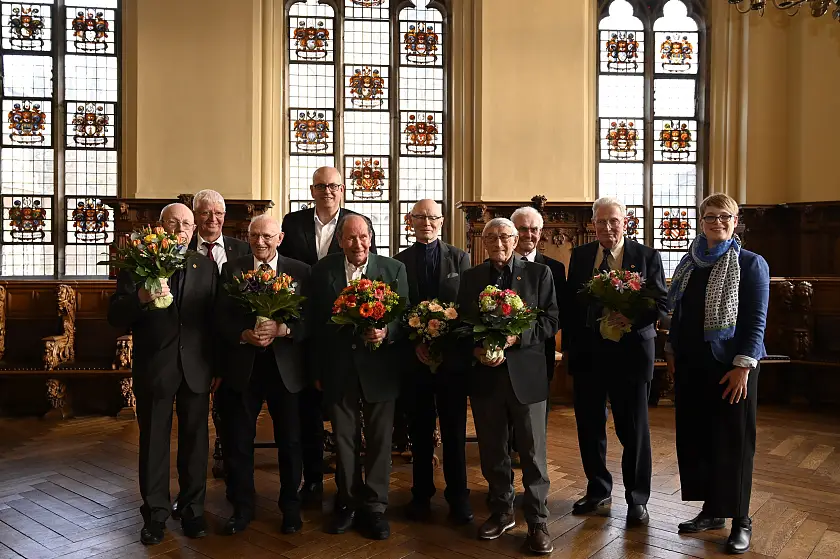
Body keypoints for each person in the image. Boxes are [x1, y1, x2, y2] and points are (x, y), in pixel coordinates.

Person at [107, 203, 217, 545]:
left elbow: (214, 321)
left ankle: (192, 510)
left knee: (196, 443)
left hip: (196, 367)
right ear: (160, 226)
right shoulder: (137, 263)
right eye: (173, 223)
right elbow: (115, 316)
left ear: (194, 229)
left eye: (186, 223)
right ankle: (155, 514)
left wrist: (218, 367)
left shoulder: (205, 265)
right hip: (155, 367)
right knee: (154, 442)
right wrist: (141, 296)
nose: (180, 229)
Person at [666, 193, 769, 555]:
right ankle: (712, 511)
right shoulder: (689, 262)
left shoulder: (751, 264)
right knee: (699, 438)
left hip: (732, 367)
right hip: (692, 364)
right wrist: (672, 350)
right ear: (701, 221)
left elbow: (756, 320)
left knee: (734, 443)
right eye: (710, 216)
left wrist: (743, 366)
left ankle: (741, 519)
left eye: (725, 216)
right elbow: (679, 313)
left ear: (735, 221)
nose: (717, 222)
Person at [457, 217, 559, 554]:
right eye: (491, 237)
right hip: (486, 377)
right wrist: (476, 350)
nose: (498, 243)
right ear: (483, 242)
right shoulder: (471, 278)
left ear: (516, 240)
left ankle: (538, 521)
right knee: (493, 449)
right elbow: (461, 324)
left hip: (526, 376)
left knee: (532, 452)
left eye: (504, 237)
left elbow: (550, 320)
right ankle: (502, 511)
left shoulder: (539, 274)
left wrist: (517, 337)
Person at [564, 196, 667, 526]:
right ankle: (598, 490)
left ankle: (637, 498)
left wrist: (631, 319)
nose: (607, 227)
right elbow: (572, 305)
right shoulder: (581, 256)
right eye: (601, 221)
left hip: (631, 355)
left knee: (633, 429)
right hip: (589, 356)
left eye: (614, 221)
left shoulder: (646, 256)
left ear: (626, 222)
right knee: (589, 427)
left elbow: (661, 303)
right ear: (592, 223)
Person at [278, 166, 376, 507]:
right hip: (303, 325)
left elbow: (366, 270)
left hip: (344, 331)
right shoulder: (293, 223)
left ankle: (351, 484)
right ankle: (314, 479)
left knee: (344, 410)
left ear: (343, 189)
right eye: (321, 186)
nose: (327, 191)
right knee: (307, 409)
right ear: (312, 190)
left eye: (333, 185)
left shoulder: (357, 222)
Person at [308, 214, 408, 540]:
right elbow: (314, 325)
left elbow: (405, 316)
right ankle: (348, 502)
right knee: (344, 440)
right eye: (350, 238)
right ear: (339, 241)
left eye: (363, 236)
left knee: (380, 441)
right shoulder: (322, 271)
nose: (358, 244)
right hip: (338, 369)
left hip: (381, 370)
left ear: (371, 238)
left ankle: (375, 507)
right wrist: (318, 371)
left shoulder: (393, 269)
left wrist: (386, 331)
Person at [214, 214, 311, 536]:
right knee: (239, 441)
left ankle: (291, 508)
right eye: (254, 235)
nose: (260, 242)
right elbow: (221, 317)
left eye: (267, 236)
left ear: (280, 238)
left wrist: (284, 329)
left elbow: (310, 320)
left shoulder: (300, 271)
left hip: (286, 371)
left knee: (291, 442)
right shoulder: (232, 270)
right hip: (244, 368)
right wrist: (243, 334)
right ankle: (242, 508)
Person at [393, 199, 473, 525]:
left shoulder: (460, 258)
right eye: (420, 217)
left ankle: (458, 497)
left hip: (451, 361)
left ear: (442, 221)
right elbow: (398, 308)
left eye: (432, 217)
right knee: (420, 431)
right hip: (416, 362)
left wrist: (444, 342)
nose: (426, 222)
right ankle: (421, 495)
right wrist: (416, 343)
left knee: (454, 431)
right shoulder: (399, 261)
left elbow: (465, 306)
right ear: (410, 221)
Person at [511, 205, 567, 426]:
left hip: (540, 351)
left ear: (541, 232)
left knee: (536, 416)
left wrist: (530, 334)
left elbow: (559, 312)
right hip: (506, 352)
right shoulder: (497, 265)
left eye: (534, 229)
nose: (528, 234)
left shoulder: (555, 268)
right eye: (522, 229)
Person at [189, 189, 251, 272]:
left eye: (218, 213)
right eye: (206, 213)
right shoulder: (184, 248)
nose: (213, 219)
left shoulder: (244, 249)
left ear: (224, 215)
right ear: (194, 215)